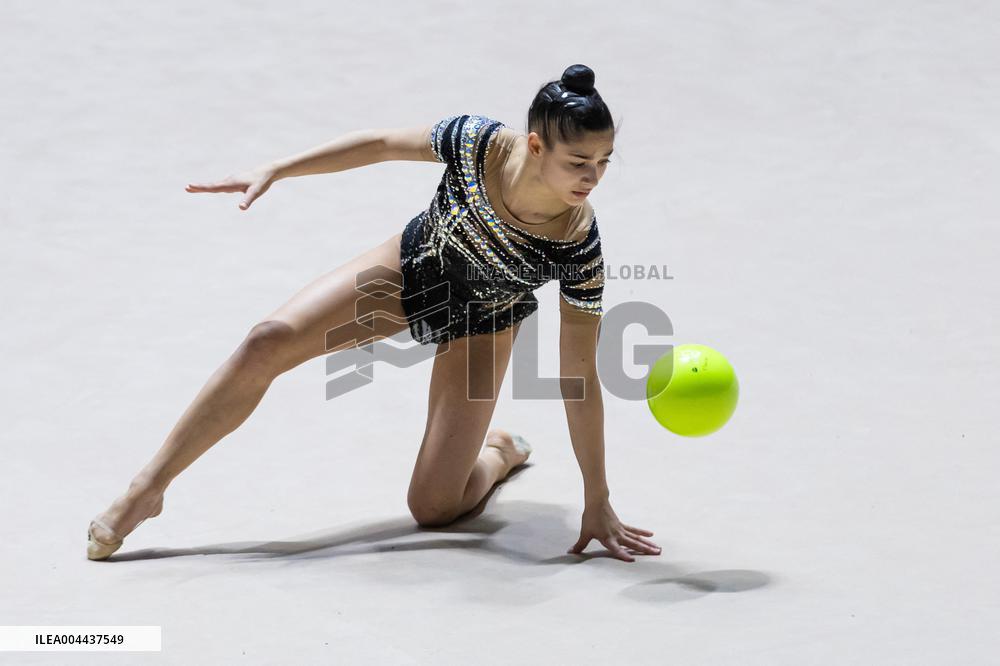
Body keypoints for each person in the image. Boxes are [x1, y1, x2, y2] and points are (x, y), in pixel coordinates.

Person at [87, 63, 661, 563]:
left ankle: (498, 452)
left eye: (605, 161)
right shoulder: (479, 143)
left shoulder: (578, 243)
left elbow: (579, 377)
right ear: (536, 146)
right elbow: (383, 143)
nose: (592, 177)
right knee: (267, 340)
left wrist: (597, 498)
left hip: (483, 321)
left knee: (433, 508)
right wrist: (280, 167)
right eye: (579, 161)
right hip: (410, 269)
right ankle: (148, 488)